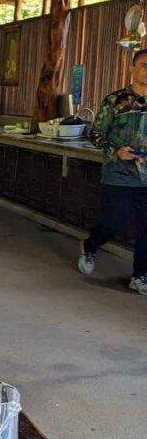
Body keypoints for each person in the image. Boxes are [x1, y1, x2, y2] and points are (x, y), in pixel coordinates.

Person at [78, 48, 147, 294]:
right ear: (133, 68)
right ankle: (89, 246)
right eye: (144, 66)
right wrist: (115, 150)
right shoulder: (115, 100)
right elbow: (94, 133)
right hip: (119, 174)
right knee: (114, 222)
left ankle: (140, 275)